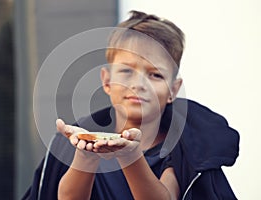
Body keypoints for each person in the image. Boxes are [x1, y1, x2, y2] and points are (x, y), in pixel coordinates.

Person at [23, 10, 239, 200]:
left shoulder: (182, 150)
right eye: (126, 71)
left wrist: (130, 156)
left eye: (155, 75)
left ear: (173, 90)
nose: (138, 84)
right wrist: (85, 158)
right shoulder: (79, 144)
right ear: (107, 81)